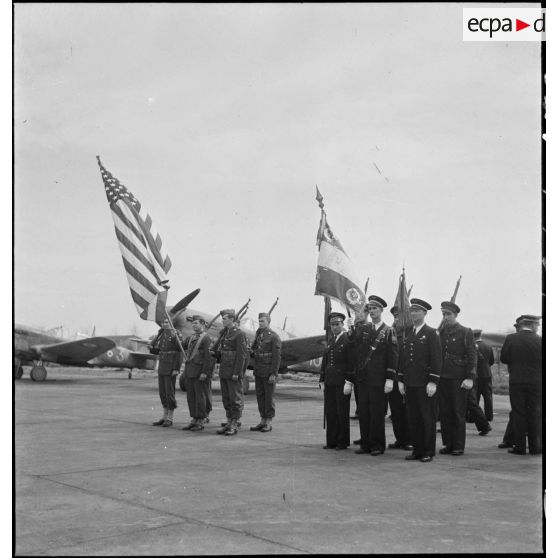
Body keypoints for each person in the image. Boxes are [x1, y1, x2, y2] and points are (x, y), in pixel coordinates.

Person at [347, 296, 398, 456]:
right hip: (363, 378)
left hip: (379, 379)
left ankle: (377, 445)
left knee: (376, 413)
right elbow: (354, 346)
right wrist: (350, 330)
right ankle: (366, 444)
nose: (372, 311)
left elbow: (393, 356)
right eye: (370, 309)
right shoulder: (363, 329)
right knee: (364, 411)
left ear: (381, 310)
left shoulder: (389, 331)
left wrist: (390, 378)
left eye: (375, 308)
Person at [397, 298, 442, 463]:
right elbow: (403, 359)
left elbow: (437, 359)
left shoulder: (431, 333)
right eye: (412, 310)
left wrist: (433, 381)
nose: (414, 313)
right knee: (413, 418)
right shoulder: (409, 333)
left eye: (417, 311)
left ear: (425, 313)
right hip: (411, 383)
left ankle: (428, 451)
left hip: (424, 384)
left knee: (427, 418)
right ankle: (417, 450)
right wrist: (401, 380)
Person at [438, 301, 477, 456]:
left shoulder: (465, 332)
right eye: (443, 314)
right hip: (443, 377)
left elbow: (472, 356)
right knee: (445, 413)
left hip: (458, 378)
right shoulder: (440, 332)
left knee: (458, 413)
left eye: (448, 314)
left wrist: (470, 377)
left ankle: (458, 445)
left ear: (455, 315)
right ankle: (448, 443)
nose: (445, 317)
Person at [500, 314, 542, 455]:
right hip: (536, 382)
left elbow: (504, 358)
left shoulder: (511, 338)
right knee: (535, 413)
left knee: (518, 413)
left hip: (517, 381)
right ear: (532, 325)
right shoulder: (541, 340)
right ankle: (536, 447)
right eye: (537, 325)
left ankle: (519, 447)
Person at [211, 309, 248, 436]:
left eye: (225, 318)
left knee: (235, 399)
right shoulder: (225, 333)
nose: (223, 320)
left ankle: (234, 423)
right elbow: (224, 352)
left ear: (232, 319)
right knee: (226, 398)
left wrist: (237, 372)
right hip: (224, 370)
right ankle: (228, 422)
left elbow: (241, 355)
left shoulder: (239, 334)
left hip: (233, 372)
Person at [320, 312, 353, 450]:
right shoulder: (331, 340)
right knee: (331, 412)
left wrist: (349, 381)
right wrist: (322, 380)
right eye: (332, 325)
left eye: (337, 324)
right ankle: (331, 441)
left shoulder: (347, 339)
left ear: (342, 324)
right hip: (330, 382)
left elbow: (351, 362)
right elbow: (325, 362)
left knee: (342, 413)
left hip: (342, 382)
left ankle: (342, 442)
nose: (334, 327)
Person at [250, 312, 282, 433]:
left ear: (269, 321)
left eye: (262, 321)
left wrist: (274, 373)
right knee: (260, 396)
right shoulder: (259, 335)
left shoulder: (274, 336)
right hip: (259, 370)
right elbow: (254, 351)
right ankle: (262, 420)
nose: (260, 323)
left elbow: (277, 357)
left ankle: (268, 422)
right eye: (259, 321)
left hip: (268, 371)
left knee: (268, 398)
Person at [387, 306, 413, 450]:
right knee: (396, 411)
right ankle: (400, 439)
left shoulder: (411, 334)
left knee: (407, 411)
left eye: (399, 317)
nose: (396, 320)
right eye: (395, 317)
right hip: (394, 378)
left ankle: (409, 440)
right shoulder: (392, 334)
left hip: (407, 379)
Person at [150, 316, 184, 427]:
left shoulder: (176, 334)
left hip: (170, 368)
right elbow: (160, 350)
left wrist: (176, 369)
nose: (164, 324)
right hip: (162, 367)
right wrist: (151, 349)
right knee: (163, 393)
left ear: (171, 323)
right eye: (163, 322)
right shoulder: (162, 334)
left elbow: (179, 353)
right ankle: (164, 416)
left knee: (169, 393)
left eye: (166, 322)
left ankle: (170, 417)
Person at [181, 315, 213, 432]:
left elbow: (208, 358)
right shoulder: (190, 338)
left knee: (200, 397)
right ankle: (194, 419)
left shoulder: (206, 338)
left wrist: (205, 372)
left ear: (203, 324)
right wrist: (175, 336)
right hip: (190, 372)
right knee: (191, 397)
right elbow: (179, 346)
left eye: (196, 323)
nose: (194, 325)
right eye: (193, 323)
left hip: (200, 372)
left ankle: (200, 420)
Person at [474, 329, 495, 421]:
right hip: (487, 373)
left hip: (476, 374)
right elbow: (491, 361)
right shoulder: (488, 346)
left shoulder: (473, 346)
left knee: (475, 396)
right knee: (488, 397)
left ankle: (473, 416)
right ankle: (489, 416)